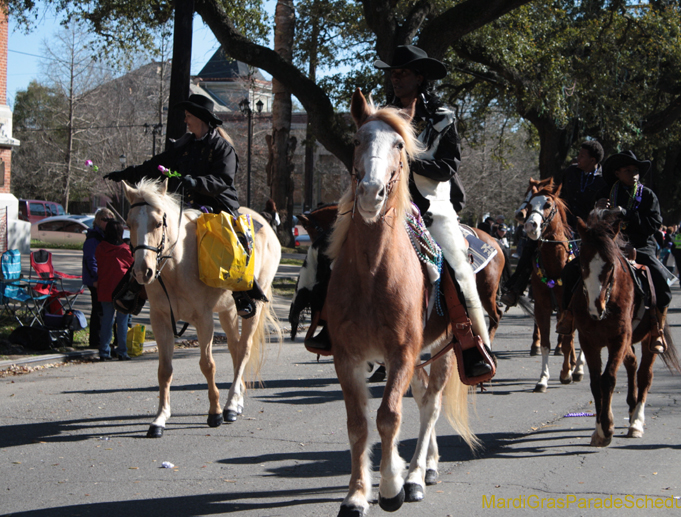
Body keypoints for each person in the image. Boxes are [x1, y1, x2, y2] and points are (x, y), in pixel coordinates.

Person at [306, 45, 493, 379]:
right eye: (393, 73)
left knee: (457, 265)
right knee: (326, 247)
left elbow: (449, 166)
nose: (396, 78)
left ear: (419, 77)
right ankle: (327, 323)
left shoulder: (442, 117)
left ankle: (471, 341)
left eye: (403, 72)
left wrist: (407, 158)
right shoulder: (380, 116)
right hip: (378, 200)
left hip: (427, 204)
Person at [103, 93, 265, 318]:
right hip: (184, 203)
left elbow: (223, 181)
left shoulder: (223, 148)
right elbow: (154, 166)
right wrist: (127, 173)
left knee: (230, 236)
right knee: (154, 235)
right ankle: (135, 286)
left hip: (215, 203)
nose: (186, 120)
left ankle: (242, 292)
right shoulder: (183, 146)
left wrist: (194, 181)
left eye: (189, 116)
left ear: (201, 118)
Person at [563, 151, 672, 353]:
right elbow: (592, 226)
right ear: (617, 173)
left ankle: (658, 329)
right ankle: (567, 316)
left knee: (661, 281)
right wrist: (596, 210)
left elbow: (654, 224)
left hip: (640, 245)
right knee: (570, 270)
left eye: (636, 171)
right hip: (608, 245)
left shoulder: (647, 195)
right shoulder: (604, 194)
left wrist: (627, 214)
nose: (634, 174)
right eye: (628, 170)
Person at [500, 140, 605, 307]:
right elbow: (554, 194)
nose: (577, 158)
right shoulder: (570, 172)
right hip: (561, 224)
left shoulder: (603, 180)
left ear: (593, 160)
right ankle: (514, 288)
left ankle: (593, 298)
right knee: (532, 244)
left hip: (585, 228)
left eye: (582, 156)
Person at [95, 220, 133, 360]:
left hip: (105, 287)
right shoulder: (125, 249)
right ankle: (122, 351)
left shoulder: (101, 247)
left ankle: (104, 351)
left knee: (107, 320)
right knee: (122, 321)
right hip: (122, 288)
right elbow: (131, 266)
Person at [82, 208, 114, 349]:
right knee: (98, 310)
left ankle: (101, 339)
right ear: (98, 220)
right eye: (105, 220)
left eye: (110, 220)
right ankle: (95, 341)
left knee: (102, 310)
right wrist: (95, 278)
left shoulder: (106, 236)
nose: (108, 223)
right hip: (95, 279)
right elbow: (91, 260)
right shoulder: (93, 237)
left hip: (104, 278)